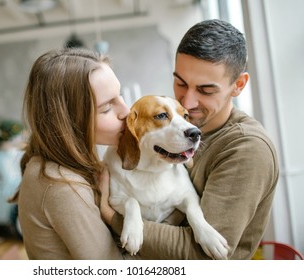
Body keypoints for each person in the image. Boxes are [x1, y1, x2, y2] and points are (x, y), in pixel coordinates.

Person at [99, 19, 279, 259]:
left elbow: (200, 257)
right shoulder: (179, 127)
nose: (188, 102)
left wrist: (111, 216)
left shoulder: (247, 149)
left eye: (205, 90)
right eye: (180, 83)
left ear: (238, 85)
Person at [15, 48, 133, 259]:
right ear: (70, 121)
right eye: (107, 108)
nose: (126, 111)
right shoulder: (61, 184)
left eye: (120, 95)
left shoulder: (50, 164)